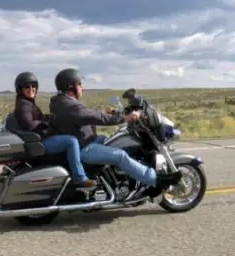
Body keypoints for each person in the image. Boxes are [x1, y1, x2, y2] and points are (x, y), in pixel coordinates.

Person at [48, 68, 182, 193]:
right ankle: (156, 180)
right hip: (84, 147)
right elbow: (88, 115)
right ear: (71, 86)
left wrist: (108, 114)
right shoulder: (68, 105)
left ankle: (122, 178)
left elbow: (85, 115)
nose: (82, 86)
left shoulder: (63, 102)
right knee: (120, 155)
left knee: (115, 139)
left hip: (87, 141)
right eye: (79, 84)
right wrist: (125, 118)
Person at [12, 71, 96, 188]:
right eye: (27, 87)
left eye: (33, 86)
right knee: (71, 141)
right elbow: (29, 125)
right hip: (39, 142)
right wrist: (48, 122)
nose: (31, 89)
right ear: (20, 89)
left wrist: (48, 118)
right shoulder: (23, 105)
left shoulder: (26, 102)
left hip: (39, 139)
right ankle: (79, 178)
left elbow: (36, 119)